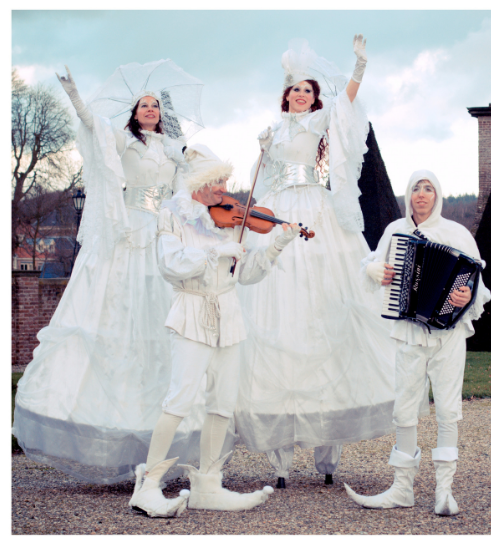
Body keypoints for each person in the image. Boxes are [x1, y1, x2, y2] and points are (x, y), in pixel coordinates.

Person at [12, 66, 203, 483]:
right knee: (119, 306)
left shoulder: (173, 149)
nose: (150, 109)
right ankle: (112, 436)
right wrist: (77, 99)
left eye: (155, 104)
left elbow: (185, 191)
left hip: (164, 231)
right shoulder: (123, 141)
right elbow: (96, 131)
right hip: (131, 227)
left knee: (162, 317)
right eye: (143, 105)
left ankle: (163, 442)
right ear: (135, 113)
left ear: (161, 113)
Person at [234, 35, 397, 487]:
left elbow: (346, 105)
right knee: (277, 310)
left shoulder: (323, 118)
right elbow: (257, 180)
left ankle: (329, 452)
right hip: (277, 210)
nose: (301, 95)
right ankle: (279, 456)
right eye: (295, 89)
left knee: (324, 309)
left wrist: (359, 67)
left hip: (314, 210)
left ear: (313, 97)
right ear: (285, 94)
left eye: (308, 89)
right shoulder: (271, 129)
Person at [128, 144, 301, 517]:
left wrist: (277, 244)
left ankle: (208, 485)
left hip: (229, 313)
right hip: (191, 310)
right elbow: (170, 264)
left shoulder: (227, 219)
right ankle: (149, 486)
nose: (225, 187)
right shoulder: (172, 213)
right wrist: (214, 253)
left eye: (225, 179)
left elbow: (247, 273)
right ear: (199, 182)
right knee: (179, 400)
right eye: (217, 180)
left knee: (222, 403)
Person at [344, 170, 491, 516]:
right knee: (404, 407)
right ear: (408, 195)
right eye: (416, 188)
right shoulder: (395, 231)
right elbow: (371, 265)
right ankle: (401, 488)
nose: (422, 195)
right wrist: (375, 272)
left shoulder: (456, 233)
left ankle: (445, 492)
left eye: (428, 189)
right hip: (408, 330)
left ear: (437, 195)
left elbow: (476, 284)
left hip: (448, 334)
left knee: (447, 408)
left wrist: (465, 296)